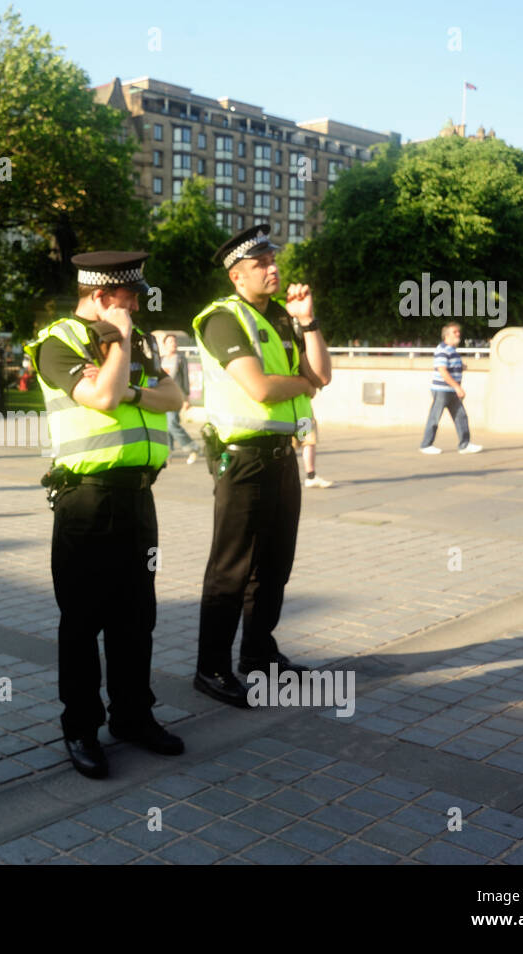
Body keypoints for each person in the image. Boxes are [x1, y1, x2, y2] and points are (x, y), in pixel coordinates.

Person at [26, 250, 186, 780]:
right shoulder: (59, 342)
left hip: (139, 498)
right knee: (82, 623)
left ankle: (133, 717)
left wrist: (131, 383)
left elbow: (175, 396)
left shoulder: (135, 340)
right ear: (100, 297)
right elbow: (100, 396)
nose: (137, 304)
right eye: (129, 297)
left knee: (137, 618)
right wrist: (117, 351)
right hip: (86, 503)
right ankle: (81, 728)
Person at [191, 224, 331, 708]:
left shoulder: (282, 318)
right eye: (260, 265)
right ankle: (211, 668)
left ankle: (258, 654)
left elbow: (323, 374)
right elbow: (263, 388)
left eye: (274, 261)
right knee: (231, 568)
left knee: (274, 565)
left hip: (280, 457)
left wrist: (308, 322)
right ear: (237, 276)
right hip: (242, 460)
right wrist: (302, 383)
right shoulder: (221, 320)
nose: (273, 270)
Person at [420, 322, 482, 454]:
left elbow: (448, 367)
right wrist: (457, 387)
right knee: (435, 417)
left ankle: (464, 445)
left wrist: (461, 367)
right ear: (447, 335)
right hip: (442, 390)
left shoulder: (452, 350)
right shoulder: (442, 349)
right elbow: (442, 371)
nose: (458, 334)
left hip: (451, 390)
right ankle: (426, 445)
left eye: (458, 332)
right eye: (455, 332)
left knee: (461, 417)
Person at [157, 331, 201, 465]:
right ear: (164, 345)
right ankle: (168, 452)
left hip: (176, 396)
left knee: (172, 424)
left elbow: (186, 380)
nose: (173, 344)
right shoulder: (161, 359)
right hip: (162, 396)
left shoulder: (181, 358)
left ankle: (193, 447)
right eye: (170, 342)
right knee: (166, 425)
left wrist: (186, 398)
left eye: (175, 341)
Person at [297, 416, 334, 488]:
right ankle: (311, 477)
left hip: (289, 416)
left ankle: (311, 476)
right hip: (302, 414)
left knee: (306, 442)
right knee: (308, 441)